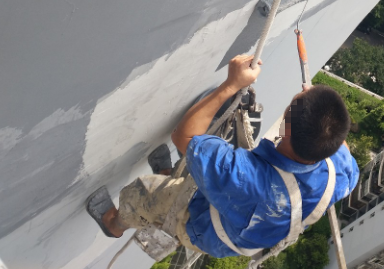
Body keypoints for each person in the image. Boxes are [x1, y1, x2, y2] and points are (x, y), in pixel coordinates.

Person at [87, 54, 359, 258]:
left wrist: (232, 84)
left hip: (205, 228)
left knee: (142, 192)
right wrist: (314, 108)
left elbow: (183, 137)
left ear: (285, 128)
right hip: (245, 225)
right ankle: (172, 175)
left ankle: (114, 223)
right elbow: (332, 131)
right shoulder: (342, 172)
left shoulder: (243, 178)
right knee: (198, 172)